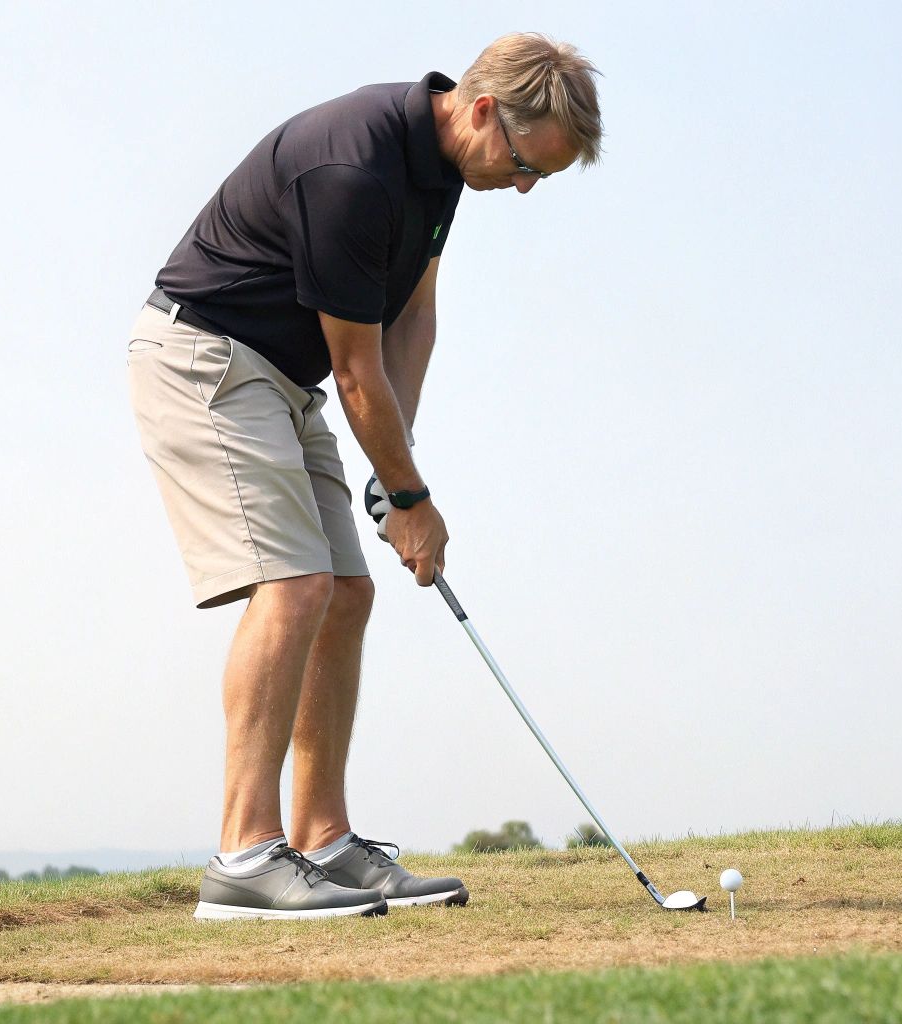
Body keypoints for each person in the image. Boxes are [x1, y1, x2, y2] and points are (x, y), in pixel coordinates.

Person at [125, 33, 604, 920]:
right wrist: (414, 502)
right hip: (206, 359)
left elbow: (412, 317)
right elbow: (355, 373)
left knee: (347, 590)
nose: (526, 186)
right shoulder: (355, 168)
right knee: (296, 584)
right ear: (485, 110)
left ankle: (323, 842)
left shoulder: (446, 169)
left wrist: (399, 462)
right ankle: (243, 858)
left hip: (281, 376)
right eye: (527, 164)